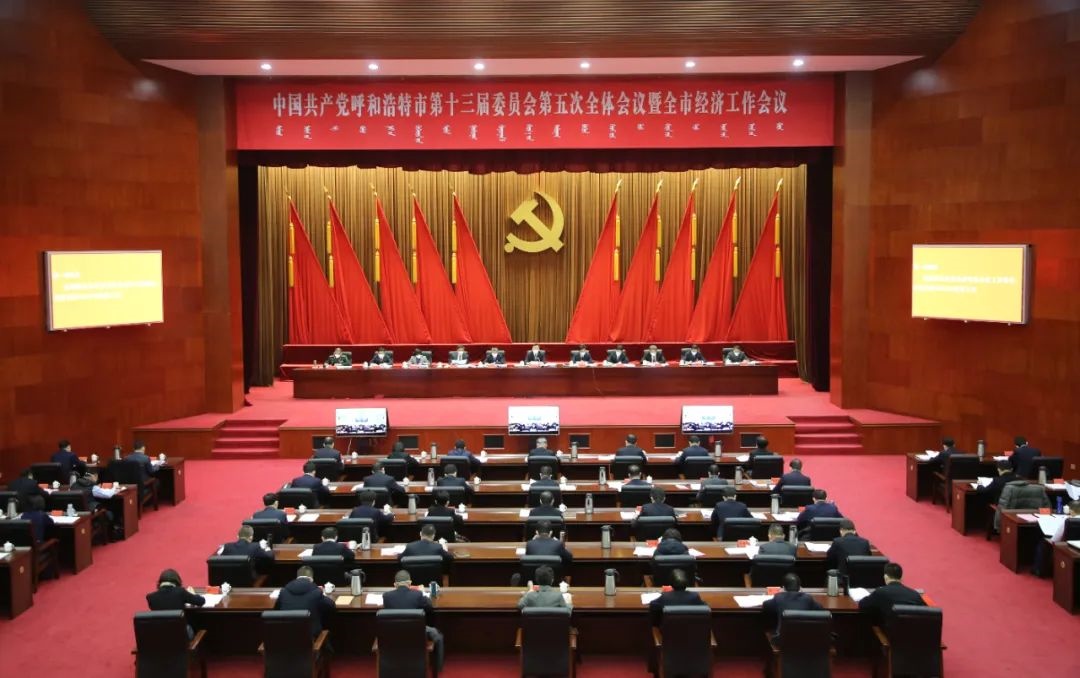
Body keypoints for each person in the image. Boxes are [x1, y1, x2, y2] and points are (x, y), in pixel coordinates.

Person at [383, 569, 445, 672]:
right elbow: (429, 606)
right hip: (416, 633)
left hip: (393, 634)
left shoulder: (386, 596)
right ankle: (438, 668)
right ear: (410, 583)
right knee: (438, 635)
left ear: (395, 585)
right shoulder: (417, 594)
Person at [275, 565, 336, 636]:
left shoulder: (283, 591)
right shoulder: (316, 592)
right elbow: (331, 606)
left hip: (286, 636)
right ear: (311, 579)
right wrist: (324, 595)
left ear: (297, 577)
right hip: (310, 637)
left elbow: (277, 608)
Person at [857, 562, 925, 624]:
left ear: (886, 577)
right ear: (901, 577)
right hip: (911, 631)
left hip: (888, 632)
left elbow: (862, 605)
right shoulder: (915, 594)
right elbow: (925, 613)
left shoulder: (880, 592)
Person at [146, 569, 206, 638]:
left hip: (160, 635)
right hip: (181, 635)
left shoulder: (151, 597)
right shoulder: (181, 592)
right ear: (177, 581)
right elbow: (201, 601)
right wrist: (193, 594)